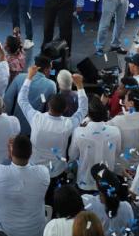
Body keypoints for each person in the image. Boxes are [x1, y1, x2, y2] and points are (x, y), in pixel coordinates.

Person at [17, 65, 87, 196]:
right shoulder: (68, 124)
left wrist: (29, 77)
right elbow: (83, 110)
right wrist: (80, 86)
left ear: (48, 105)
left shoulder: (36, 118)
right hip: (56, 172)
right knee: (51, 198)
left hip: (34, 168)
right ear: (65, 109)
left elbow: (22, 99)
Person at [0, 135, 50, 236]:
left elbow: (7, 166)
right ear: (31, 153)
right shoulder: (43, 173)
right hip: (35, 230)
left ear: (11, 152)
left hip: (5, 230)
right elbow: (32, 167)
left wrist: (11, 156)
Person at [69, 96, 122, 190]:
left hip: (85, 182)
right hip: (107, 183)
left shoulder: (78, 131)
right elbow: (117, 153)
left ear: (87, 113)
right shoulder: (115, 131)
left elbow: (72, 155)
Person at [3, 55, 57, 135]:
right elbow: (50, 109)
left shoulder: (19, 77)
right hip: (35, 129)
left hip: (15, 126)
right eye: (50, 68)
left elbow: (7, 100)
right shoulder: (51, 85)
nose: (51, 71)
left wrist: (7, 121)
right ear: (46, 70)